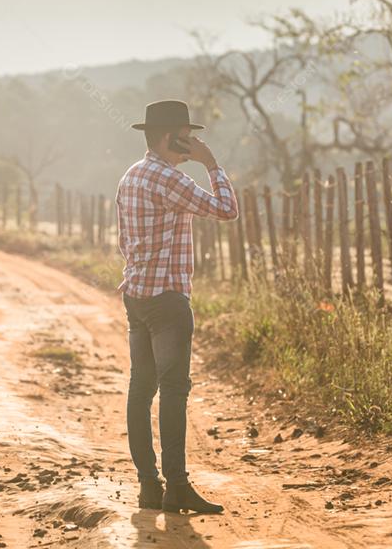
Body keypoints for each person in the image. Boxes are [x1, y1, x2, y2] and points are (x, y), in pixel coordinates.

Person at [115, 99, 238, 514]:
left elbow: (123, 242)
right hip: (168, 300)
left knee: (140, 389)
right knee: (173, 391)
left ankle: (149, 486)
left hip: (136, 296)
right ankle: (178, 487)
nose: (192, 142)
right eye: (187, 136)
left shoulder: (130, 177)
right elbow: (226, 209)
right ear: (172, 137)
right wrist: (210, 162)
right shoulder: (168, 179)